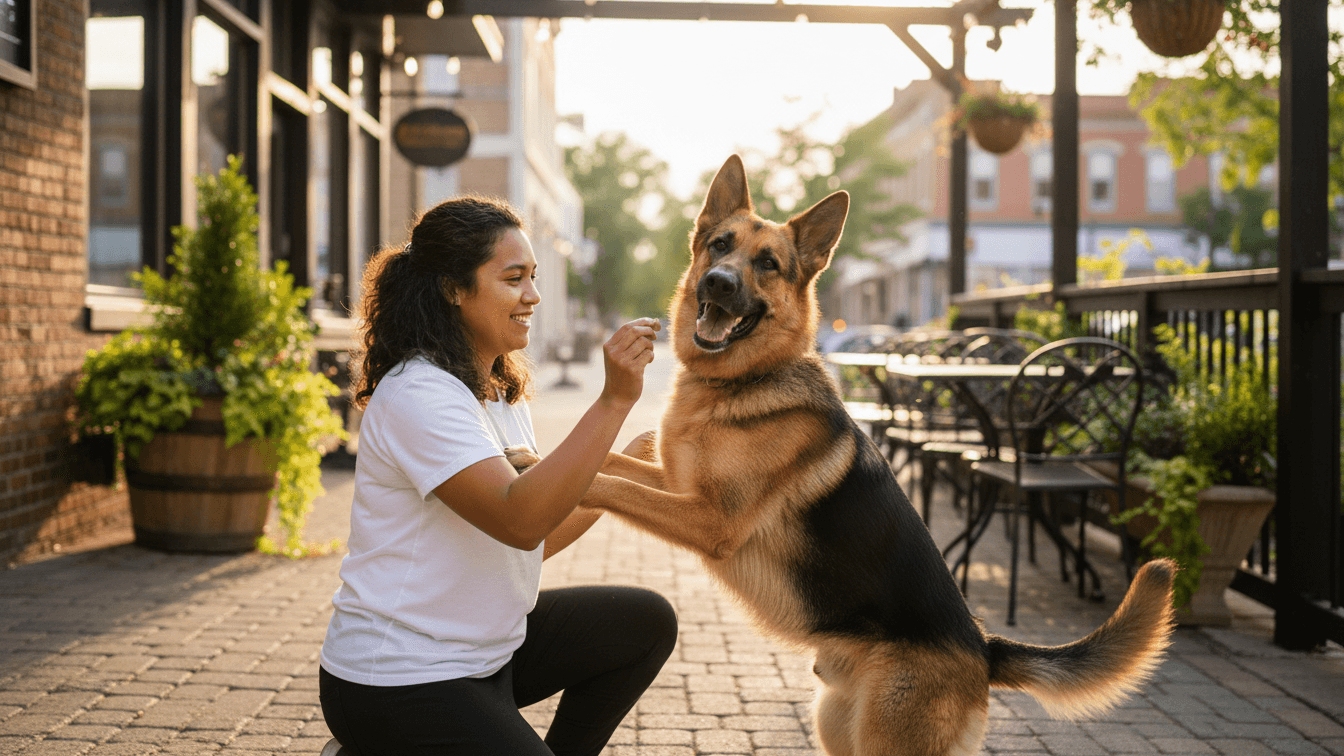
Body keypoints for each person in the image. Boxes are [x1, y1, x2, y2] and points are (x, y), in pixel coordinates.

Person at [318, 196, 676, 756]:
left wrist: (621, 469)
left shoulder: (499, 390)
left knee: (643, 622)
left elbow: (528, 541)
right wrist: (612, 403)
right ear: (452, 288)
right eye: (514, 279)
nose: (533, 295)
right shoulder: (419, 393)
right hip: (397, 677)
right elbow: (520, 518)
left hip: (487, 654)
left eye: (533, 277)